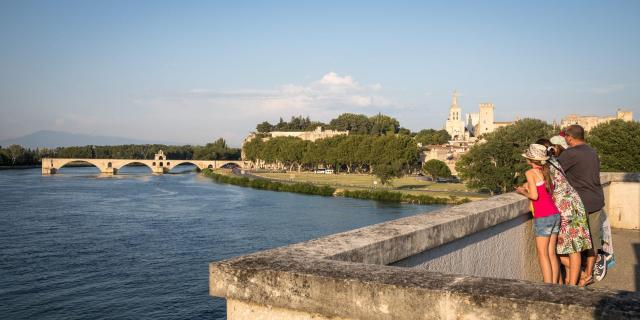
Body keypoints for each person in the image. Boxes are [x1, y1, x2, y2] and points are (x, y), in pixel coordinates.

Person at [537, 137, 592, 286]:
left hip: (564, 206)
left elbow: (542, 187)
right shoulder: (556, 161)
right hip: (575, 204)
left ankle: (572, 283)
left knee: (562, 249)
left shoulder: (544, 166)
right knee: (574, 248)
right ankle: (573, 282)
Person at [559, 125, 606, 285]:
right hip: (596, 200)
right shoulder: (592, 152)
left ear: (569, 137)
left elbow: (554, 172)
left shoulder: (570, 153)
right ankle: (588, 274)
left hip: (579, 204)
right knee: (592, 240)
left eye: (566, 137)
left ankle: (579, 275)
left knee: (575, 244)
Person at [516, 144, 561, 284]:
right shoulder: (545, 171)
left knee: (543, 255)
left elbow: (534, 196)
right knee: (551, 253)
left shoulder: (530, 173)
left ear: (530, 159)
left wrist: (522, 191)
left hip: (543, 216)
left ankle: (548, 287)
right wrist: (527, 186)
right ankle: (555, 285)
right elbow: (543, 190)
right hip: (554, 214)